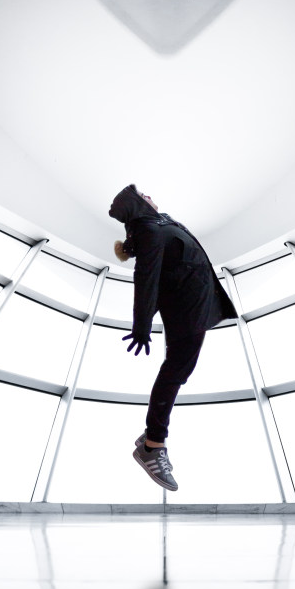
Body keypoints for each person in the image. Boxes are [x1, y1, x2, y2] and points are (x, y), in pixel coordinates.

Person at [108, 184, 236, 490]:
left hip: (197, 303)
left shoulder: (160, 223)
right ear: (137, 204)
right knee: (175, 372)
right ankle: (153, 445)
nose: (149, 195)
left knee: (180, 371)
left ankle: (152, 437)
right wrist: (141, 325)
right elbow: (146, 278)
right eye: (142, 194)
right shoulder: (148, 232)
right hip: (185, 308)